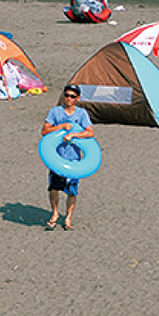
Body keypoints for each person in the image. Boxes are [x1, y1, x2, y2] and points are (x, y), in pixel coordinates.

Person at [42, 84, 95, 231]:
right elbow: (45, 131)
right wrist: (61, 126)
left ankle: (68, 218)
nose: (68, 98)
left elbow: (90, 132)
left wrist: (74, 135)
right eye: (66, 95)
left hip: (74, 160)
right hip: (57, 158)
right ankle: (54, 213)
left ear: (78, 98)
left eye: (72, 96)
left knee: (71, 192)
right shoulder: (55, 112)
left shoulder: (82, 114)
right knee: (54, 188)